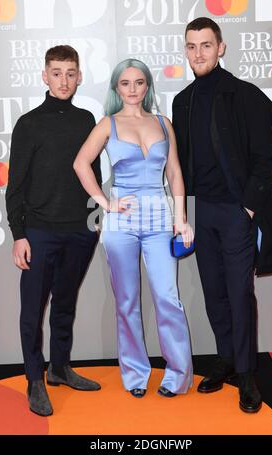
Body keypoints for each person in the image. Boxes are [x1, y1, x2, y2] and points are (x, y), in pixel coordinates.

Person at [172, 17, 272, 413]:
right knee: (213, 292)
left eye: (206, 45)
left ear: (220, 48)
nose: (198, 53)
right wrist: (183, 209)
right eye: (191, 46)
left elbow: (265, 157)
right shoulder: (182, 100)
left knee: (240, 294)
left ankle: (246, 373)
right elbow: (181, 163)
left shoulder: (247, 95)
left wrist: (249, 205)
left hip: (237, 211)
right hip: (202, 210)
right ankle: (225, 360)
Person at [74, 58, 193, 398]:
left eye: (139, 82)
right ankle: (135, 374)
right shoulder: (107, 124)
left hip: (159, 218)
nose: (132, 89)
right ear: (116, 88)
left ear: (147, 86)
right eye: (125, 83)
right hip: (120, 221)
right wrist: (105, 202)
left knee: (168, 298)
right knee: (127, 301)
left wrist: (181, 218)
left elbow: (174, 174)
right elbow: (81, 163)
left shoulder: (162, 123)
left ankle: (178, 374)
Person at [5, 45, 102, 417]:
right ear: (45, 76)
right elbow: (16, 186)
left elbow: (92, 174)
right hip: (39, 233)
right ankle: (34, 379)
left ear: (79, 77)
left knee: (65, 303)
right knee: (33, 309)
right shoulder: (28, 124)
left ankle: (59, 368)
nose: (64, 80)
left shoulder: (86, 119)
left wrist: (94, 222)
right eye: (57, 72)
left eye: (71, 72)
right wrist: (19, 235)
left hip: (80, 231)